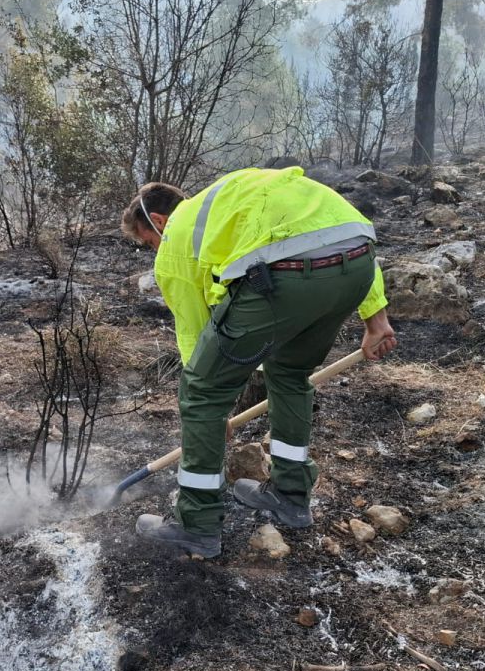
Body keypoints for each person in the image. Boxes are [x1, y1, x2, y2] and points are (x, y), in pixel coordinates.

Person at [120, 166, 397, 558]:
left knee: (201, 393)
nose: (155, 251)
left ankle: (197, 525)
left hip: (286, 274)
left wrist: (213, 406)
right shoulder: (235, 200)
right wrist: (376, 320)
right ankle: (290, 496)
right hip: (357, 261)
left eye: (150, 242)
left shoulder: (179, 239)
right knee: (289, 372)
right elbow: (336, 233)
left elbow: (196, 337)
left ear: (160, 222)